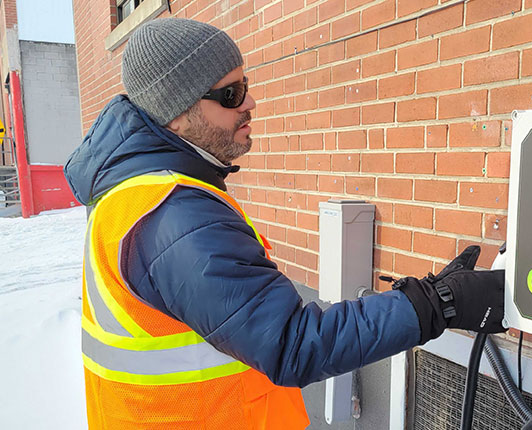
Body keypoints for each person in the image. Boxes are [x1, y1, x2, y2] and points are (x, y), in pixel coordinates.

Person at [64, 17, 506, 430]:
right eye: (231, 94)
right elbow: (293, 343)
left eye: (246, 85)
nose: (251, 102)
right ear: (177, 114)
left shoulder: (139, 194)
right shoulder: (173, 215)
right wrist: (439, 304)